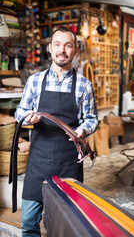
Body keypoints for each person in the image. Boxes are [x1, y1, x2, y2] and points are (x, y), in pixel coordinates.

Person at [15, 26, 98, 236]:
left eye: (68, 45)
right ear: (50, 49)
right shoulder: (35, 81)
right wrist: (27, 117)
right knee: (28, 223)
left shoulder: (84, 86)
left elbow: (92, 119)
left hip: (68, 162)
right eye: (58, 44)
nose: (62, 50)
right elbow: (20, 111)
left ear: (75, 51)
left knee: (66, 225)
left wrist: (81, 130)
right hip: (38, 161)